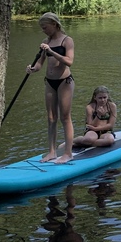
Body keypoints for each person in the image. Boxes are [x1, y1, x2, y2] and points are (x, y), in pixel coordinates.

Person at [26, 12, 75, 163]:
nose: (43, 30)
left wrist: (51, 51)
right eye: (42, 28)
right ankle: (52, 152)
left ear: (54, 24)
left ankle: (68, 153)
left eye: (45, 27)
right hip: (49, 82)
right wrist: (33, 68)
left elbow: (69, 61)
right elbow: (40, 63)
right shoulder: (45, 41)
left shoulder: (67, 41)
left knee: (65, 117)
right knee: (51, 118)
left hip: (64, 82)